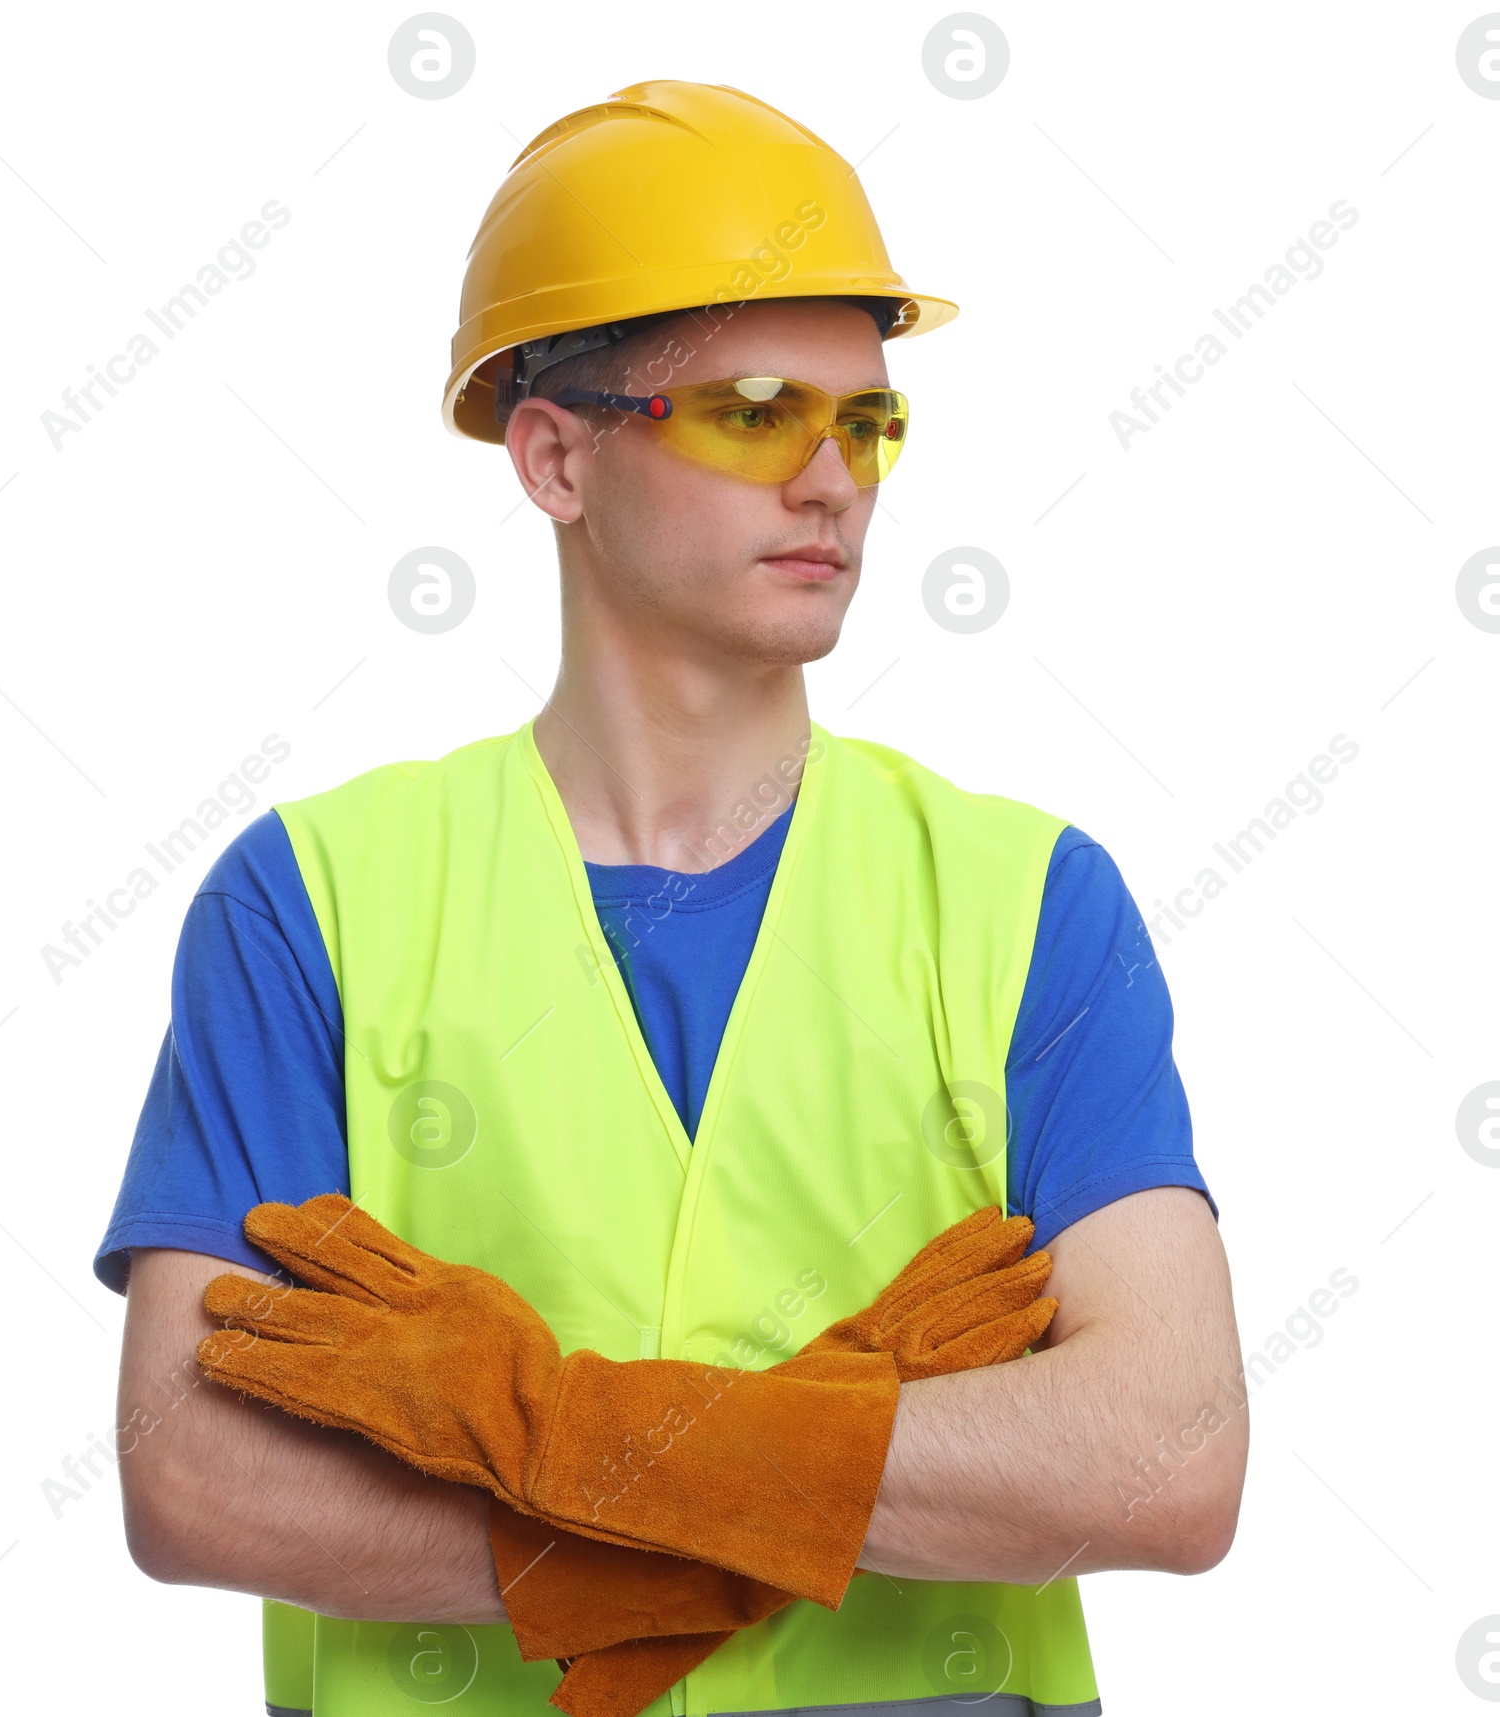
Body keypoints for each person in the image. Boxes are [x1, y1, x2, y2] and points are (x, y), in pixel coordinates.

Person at [99, 80, 1245, 1717]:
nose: (835, 479)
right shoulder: (313, 902)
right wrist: (833, 1453)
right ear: (556, 458)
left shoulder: (1025, 902)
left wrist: (558, 1439)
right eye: (757, 409)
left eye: (866, 421)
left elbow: (1168, 1452)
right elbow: (194, 1474)